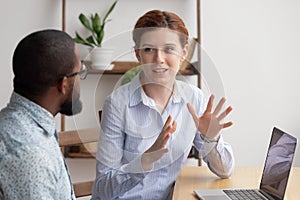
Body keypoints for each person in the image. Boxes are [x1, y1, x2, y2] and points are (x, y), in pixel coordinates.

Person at [92, 10, 235, 200]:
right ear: (138, 54)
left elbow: (225, 171)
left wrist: (211, 139)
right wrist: (145, 160)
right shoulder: (118, 104)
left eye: (169, 49)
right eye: (149, 49)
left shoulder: (194, 98)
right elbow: (102, 188)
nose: (159, 59)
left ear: (183, 53)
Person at [0, 29, 88, 199]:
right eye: (79, 72)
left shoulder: (19, 123)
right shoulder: (31, 156)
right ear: (63, 84)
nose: (80, 81)